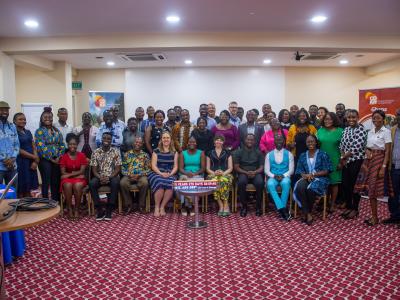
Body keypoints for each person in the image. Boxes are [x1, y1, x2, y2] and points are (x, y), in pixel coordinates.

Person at [354, 110, 392, 226]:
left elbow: (388, 151)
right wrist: (367, 150)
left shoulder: (386, 131)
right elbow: (367, 147)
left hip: (379, 161)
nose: (376, 120)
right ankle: (374, 217)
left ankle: (375, 218)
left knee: (374, 189)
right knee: (370, 189)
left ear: (383, 119)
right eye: (374, 118)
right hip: (369, 161)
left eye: (378, 118)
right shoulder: (370, 132)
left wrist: (383, 167)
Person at [293, 135, 333, 225]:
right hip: (306, 177)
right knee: (300, 187)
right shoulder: (303, 155)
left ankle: (306, 212)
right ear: (306, 143)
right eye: (308, 142)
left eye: (312, 141)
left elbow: (327, 170)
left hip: (320, 179)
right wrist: (305, 175)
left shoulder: (323, 154)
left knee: (311, 189)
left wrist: (313, 174)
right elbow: (299, 170)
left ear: (316, 142)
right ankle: (308, 213)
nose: (310, 143)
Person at [339, 109, 367, 220]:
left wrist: (344, 157)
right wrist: (343, 157)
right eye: (349, 117)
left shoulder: (361, 129)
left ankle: (355, 209)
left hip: (356, 161)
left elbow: (356, 147)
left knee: (355, 186)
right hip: (345, 161)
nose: (351, 119)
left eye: (353, 117)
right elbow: (341, 145)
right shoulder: (346, 129)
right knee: (346, 185)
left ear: (358, 117)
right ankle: (349, 206)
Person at [90, 132, 122, 221]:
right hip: (99, 175)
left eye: (108, 139)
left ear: (111, 141)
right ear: (101, 139)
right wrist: (100, 177)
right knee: (92, 183)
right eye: (104, 138)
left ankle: (109, 209)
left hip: (112, 175)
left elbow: (117, 168)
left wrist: (109, 177)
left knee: (115, 182)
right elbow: (94, 170)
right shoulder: (96, 152)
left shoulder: (116, 152)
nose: (106, 140)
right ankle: (99, 209)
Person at [35, 107, 65, 202]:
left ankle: (55, 201)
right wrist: (51, 158)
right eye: (45, 117)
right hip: (45, 160)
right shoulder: (39, 131)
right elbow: (40, 148)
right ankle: (45, 202)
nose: (48, 118)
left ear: (52, 118)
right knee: (46, 181)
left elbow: (62, 145)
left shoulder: (57, 131)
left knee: (55, 181)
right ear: (41, 119)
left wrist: (59, 157)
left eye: (50, 117)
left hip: (57, 160)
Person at [317, 112, 344, 211]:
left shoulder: (340, 131)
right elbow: (317, 145)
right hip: (322, 160)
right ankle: (325, 202)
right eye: (326, 119)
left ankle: (332, 204)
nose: (327, 121)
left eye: (330, 119)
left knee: (334, 183)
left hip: (335, 159)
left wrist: (341, 161)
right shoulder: (320, 130)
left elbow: (343, 148)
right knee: (324, 182)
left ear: (334, 120)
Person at [148, 131, 178, 217]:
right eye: (164, 138)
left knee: (171, 182)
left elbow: (175, 166)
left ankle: (162, 207)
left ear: (170, 139)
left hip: (170, 173)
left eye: (167, 138)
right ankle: (157, 207)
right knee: (159, 182)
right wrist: (161, 173)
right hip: (157, 173)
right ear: (161, 139)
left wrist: (170, 174)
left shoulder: (174, 152)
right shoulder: (156, 151)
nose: (166, 139)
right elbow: (153, 165)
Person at [234, 134, 264, 217]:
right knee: (241, 182)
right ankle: (244, 207)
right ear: (244, 140)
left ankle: (258, 207)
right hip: (243, 172)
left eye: (252, 140)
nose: (250, 141)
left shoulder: (259, 152)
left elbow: (261, 167)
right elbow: (236, 167)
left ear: (254, 141)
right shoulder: (238, 152)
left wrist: (255, 172)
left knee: (260, 183)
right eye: (248, 139)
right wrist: (246, 172)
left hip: (256, 172)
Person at [265, 135, 294, 221]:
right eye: (277, 140)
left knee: (285, 183)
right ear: (274, 142)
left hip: (285, 176)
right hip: (273, 176)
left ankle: (282, 208)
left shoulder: (289, 154)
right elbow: (266, 170)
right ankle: (283, 210)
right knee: (269, 184)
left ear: (284, 142)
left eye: (281, 140)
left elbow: (291, 170)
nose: (279, 142)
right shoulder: (269, 155)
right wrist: (274, 176)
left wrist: (283, 176)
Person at [60, 134, 88, 219]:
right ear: (67, 145)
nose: (72, 146)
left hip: (77, 179)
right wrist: (77, 174)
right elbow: (63, 173)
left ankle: (76, 209)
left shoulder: (82, 155)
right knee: (67, 185)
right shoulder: (64, 157)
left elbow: (82, 171)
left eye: (74, 144)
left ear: (77, 145)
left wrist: (69, 174)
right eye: (70, 144)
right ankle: (69, 209)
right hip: (71, 179)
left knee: (78, 185)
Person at [120, 136, 150, 214]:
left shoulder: (145, 155)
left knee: (145, 183)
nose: (138, 144)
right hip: (128, 175)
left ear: (142, 144)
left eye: (140, 143)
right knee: (123, 183)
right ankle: (128, 205)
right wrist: (129, 175)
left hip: (141, 176)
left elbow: (148, 169)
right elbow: (123, 168)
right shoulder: (127, 154)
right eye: (136, 142)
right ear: (133, 143)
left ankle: (141, 206)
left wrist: (139, 175)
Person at [206, 135, 234, 216]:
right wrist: (214, 173)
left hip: (226, 173)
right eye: (217, 140)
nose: (218, 141)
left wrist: (223, 173)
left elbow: (230, 168)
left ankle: (225, 204)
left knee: (222, 180)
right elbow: (207, 168)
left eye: (220, 140)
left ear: (223, 142)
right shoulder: (209, 152)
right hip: (212, 174)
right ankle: (221, 205)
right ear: (214, 142)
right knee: (214, 181)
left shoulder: (228, 152)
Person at [178, 136, 206, 216]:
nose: (192, 143)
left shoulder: (201, 153)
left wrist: (194, 174)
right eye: (190, 142)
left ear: (196, 143)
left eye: (193, 142)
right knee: (183, 183)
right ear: (187, 143)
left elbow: (203, 168)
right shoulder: (183, 153)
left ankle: (191, 206)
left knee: (193, 185)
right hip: (185, 174)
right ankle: (185, 206)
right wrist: (187, 173)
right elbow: (180, 168)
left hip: (197, 174)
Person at [13, 112, 38, 197]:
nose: (23, 121)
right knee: (21, 187)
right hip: (21, 162)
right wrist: (34, 157)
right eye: (20, 119)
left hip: (31, 161)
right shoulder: (13, 133)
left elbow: (33, 145)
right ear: (14, 121)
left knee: (29, 186)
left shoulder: (28, 132)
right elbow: (18, 150)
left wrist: (35, 160)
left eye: (24, 119)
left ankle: (28, 206)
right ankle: (20, 207)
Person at [385, 108, 400, 224]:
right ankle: (394, 216)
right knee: (393, 193)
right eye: (398, 115)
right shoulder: (392, 130)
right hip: (394, 167)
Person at [0, 101, 19, 188]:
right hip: (0, 165)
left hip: (12, 166)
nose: (4, 112)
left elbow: (17, 144)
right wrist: (4, 159)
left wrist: (12, 159)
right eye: (2, 110)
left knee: (12, 191)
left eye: (6, 110)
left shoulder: (12, 126)